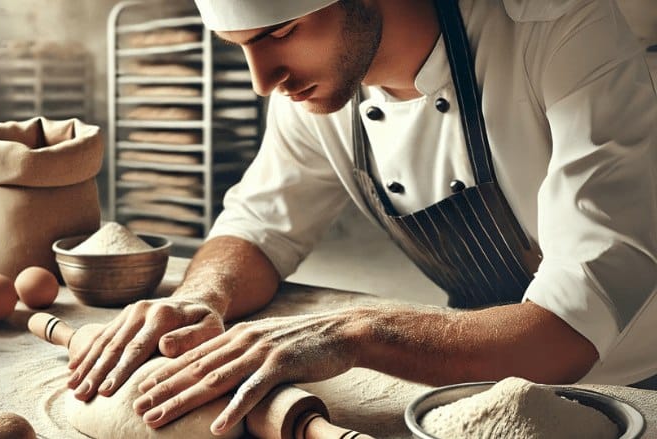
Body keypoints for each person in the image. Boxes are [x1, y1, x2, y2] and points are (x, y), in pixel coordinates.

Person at [69, 0, 657, 435]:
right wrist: (203, 298)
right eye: (240, 48)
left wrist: (358, 330)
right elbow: (259, 225)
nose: (262, 81)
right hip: (486, 393)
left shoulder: (562, 32)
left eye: (281, 32)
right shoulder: (322, 87)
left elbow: (573, 324)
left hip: (631, 386)